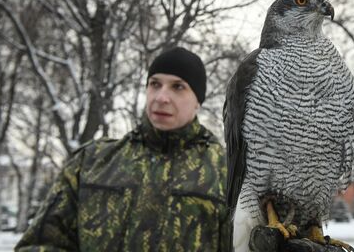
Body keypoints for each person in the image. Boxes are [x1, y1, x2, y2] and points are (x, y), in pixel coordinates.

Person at [16, 47, 230, 251]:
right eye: (155, 84)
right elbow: (42, 243)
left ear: (198, 101)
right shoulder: (92, 161)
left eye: (178, 87)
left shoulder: (227, 172)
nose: (161, 97)